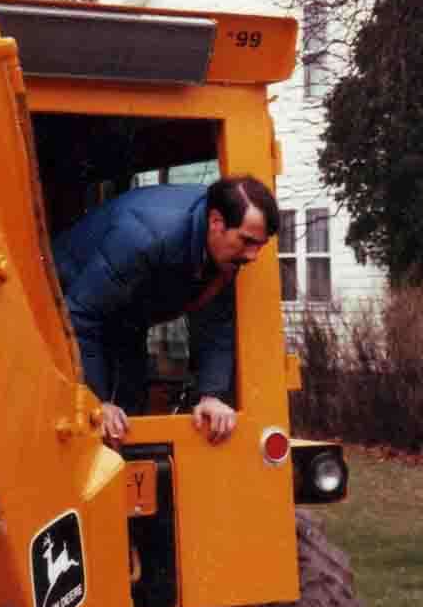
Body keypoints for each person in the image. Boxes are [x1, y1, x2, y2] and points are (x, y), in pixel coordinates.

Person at [52, 175, 279, 446]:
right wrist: (96, 404)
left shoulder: (224, 253)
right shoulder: (145, 234)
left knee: (129, 416)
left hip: (124, 318)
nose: (253, 256)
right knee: (91, 426)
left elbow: (217, 323)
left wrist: (211, 396)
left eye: (260, 246)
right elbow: (81, 314)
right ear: (216, 222)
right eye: (247, 241)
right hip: (57, 300)